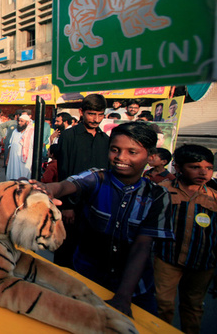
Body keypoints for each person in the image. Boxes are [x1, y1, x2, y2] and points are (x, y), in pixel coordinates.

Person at [39, 122, 174, 317]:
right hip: (87, 279)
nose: (121, 157)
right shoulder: (97, 177)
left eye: (132, 152)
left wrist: (124, 296)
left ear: (150, 156)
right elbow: (67, 185)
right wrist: (50, 189)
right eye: (115, 150)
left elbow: (142, 247)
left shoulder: (158, 196)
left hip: (133, 290)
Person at [153, 144, 217, 333]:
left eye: (208, 168)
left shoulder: (214, 196)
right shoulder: (162, 190)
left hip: (202, 262)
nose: (203, 172)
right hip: (167, 258)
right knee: (162, 304)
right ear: (179, 168)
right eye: (195, 167)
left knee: (193, 306)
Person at [53, 94, 111, 268]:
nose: (96, 119)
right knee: (65, 249)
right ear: (81, 112)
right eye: (92, 114)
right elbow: (64, 170)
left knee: (91, 252)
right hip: (72, 204)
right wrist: (68, 205)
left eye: (100, 115)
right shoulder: (69, 136)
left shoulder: (105, 140)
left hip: (96, 205)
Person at [6, 113, 34, 180]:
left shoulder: (31, 132)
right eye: (19, 121)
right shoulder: (15, 131)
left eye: (22, 121)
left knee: (23, 178)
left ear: (27, 122)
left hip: (25, 160)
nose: (19, 123)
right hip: (13, 159)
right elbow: (10, 145)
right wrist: (8, 157)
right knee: (13, 176)